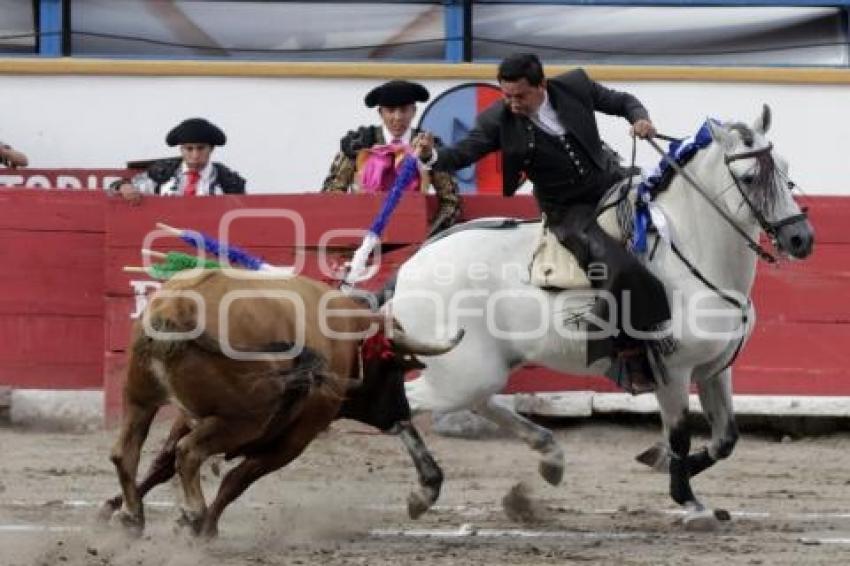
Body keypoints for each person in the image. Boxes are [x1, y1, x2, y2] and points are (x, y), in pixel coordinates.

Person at [414, 53, 670, 392]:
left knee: (667, 228)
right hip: (567, 209)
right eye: (506, 95)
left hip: (611, 182)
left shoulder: (575, 86)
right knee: (619, 267)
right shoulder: (497, 120)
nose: (512, 103)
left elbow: (622, 101)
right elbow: (464, 152)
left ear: (542, 86)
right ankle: (628, 350)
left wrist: (640, 119)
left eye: (520, 95)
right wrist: (431, 156)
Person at [322, 80, 460, 237]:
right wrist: (353, 233)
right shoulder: (359, 143)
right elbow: (332, 194)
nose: (398, 117)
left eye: (403, 110)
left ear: (413, 111)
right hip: (361, 234)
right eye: (391, 110)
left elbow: (450, 201)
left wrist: (427, 237)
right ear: (380, 113)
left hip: (413, 235)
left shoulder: (428, 147)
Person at [110, 118, 245, 204]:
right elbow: (117, 185)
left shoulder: (228, 181)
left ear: (211, 149)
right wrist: (124, 187)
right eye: (189, 149)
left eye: (201, 148)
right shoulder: (163, 172)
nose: (195, 155)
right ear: (181, 150)